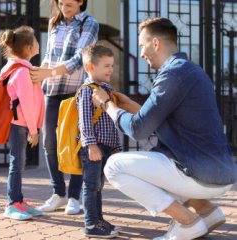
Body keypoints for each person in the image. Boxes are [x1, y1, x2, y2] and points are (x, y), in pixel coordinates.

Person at [92, 17, 237, 240]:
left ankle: (187, 222)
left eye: (142, 46)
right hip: (221, 172)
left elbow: (139, 130)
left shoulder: (172, 75)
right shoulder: (190, 71)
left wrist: (106, 105)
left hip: (200, 174)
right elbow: (156, 120)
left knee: (114, 166)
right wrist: (128, 105)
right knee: (155, 161)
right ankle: (207, 212)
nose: (141, 53)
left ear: (156, 43)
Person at [30, 0, 99, 215]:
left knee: (75, 144)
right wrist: (39, 73)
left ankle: (74, 197)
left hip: (75, 91)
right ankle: (58, 193)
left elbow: (80, 59)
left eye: (69, 3)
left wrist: (49, 73)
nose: (64, 7)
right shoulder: (54, 23)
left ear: (80, 2)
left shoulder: (89, 23)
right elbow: (50, 56)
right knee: (50, 142)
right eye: (61, 3)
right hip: (51, 90)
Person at [0, 26, 45, 220]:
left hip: (20, 123)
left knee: (19, 162)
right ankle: (12, 204)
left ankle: (18, 200)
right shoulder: (22, 72)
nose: (39, 43)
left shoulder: (15, 67)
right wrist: (33, 130)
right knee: (17, 163)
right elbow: (26, 103)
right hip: (20, 124)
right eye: (36, 40)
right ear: (28, 46)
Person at [78, 44, 122, 238]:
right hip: (93, 147)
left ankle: (99, 219)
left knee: (98, 186)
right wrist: (91, 144)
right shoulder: (87, 91)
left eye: (111, 65)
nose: (110, 70)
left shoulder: (106, 91)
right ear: (90, 67)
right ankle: (90, 224)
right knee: (91, 185)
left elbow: (112, 122)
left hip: (104, 147)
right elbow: (84, 121)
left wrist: (115, 147)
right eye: (106, 66)